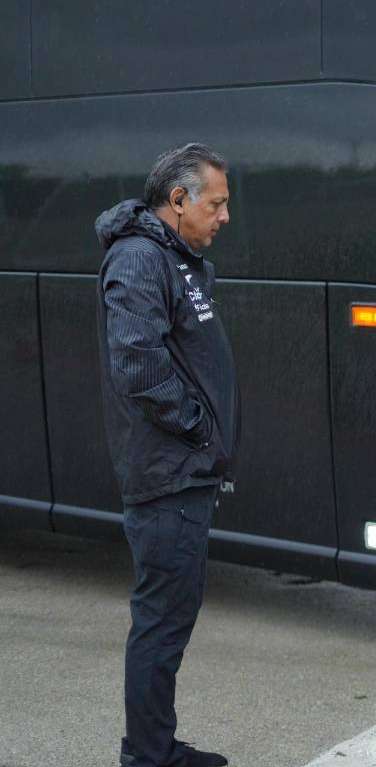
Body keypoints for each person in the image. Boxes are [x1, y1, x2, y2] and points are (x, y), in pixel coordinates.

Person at [95, 143, 239, 767]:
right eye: (218, 203)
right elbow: (139, 365)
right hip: (167, 477)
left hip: (186, 472)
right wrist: (200, 433)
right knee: (161, 622)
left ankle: (154, 746)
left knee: (171, 618)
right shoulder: (137, 260)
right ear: (178, 201)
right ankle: (148, 756)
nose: (225, 217)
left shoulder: (174, 257)